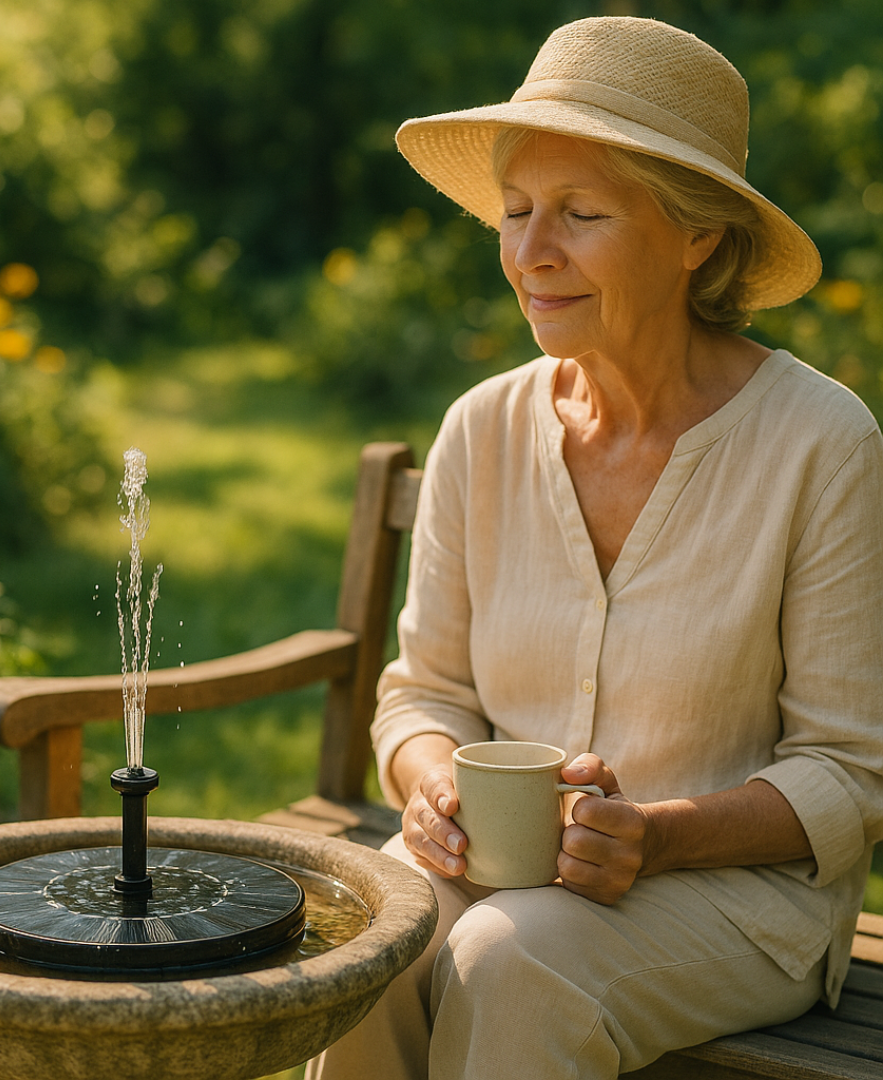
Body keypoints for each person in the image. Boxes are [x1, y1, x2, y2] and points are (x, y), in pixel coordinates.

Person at [306, 15, 883, 1080]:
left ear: (696, 236)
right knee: (377, 942)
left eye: (581, 214)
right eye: (517, 212)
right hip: (488, 871)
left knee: (507, 960)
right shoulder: (482, 428)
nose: (531, 252)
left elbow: (850, 774)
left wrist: (656, 836)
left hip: (737, 898)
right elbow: (419, 696)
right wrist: (433, 790)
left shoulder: (821, 442)